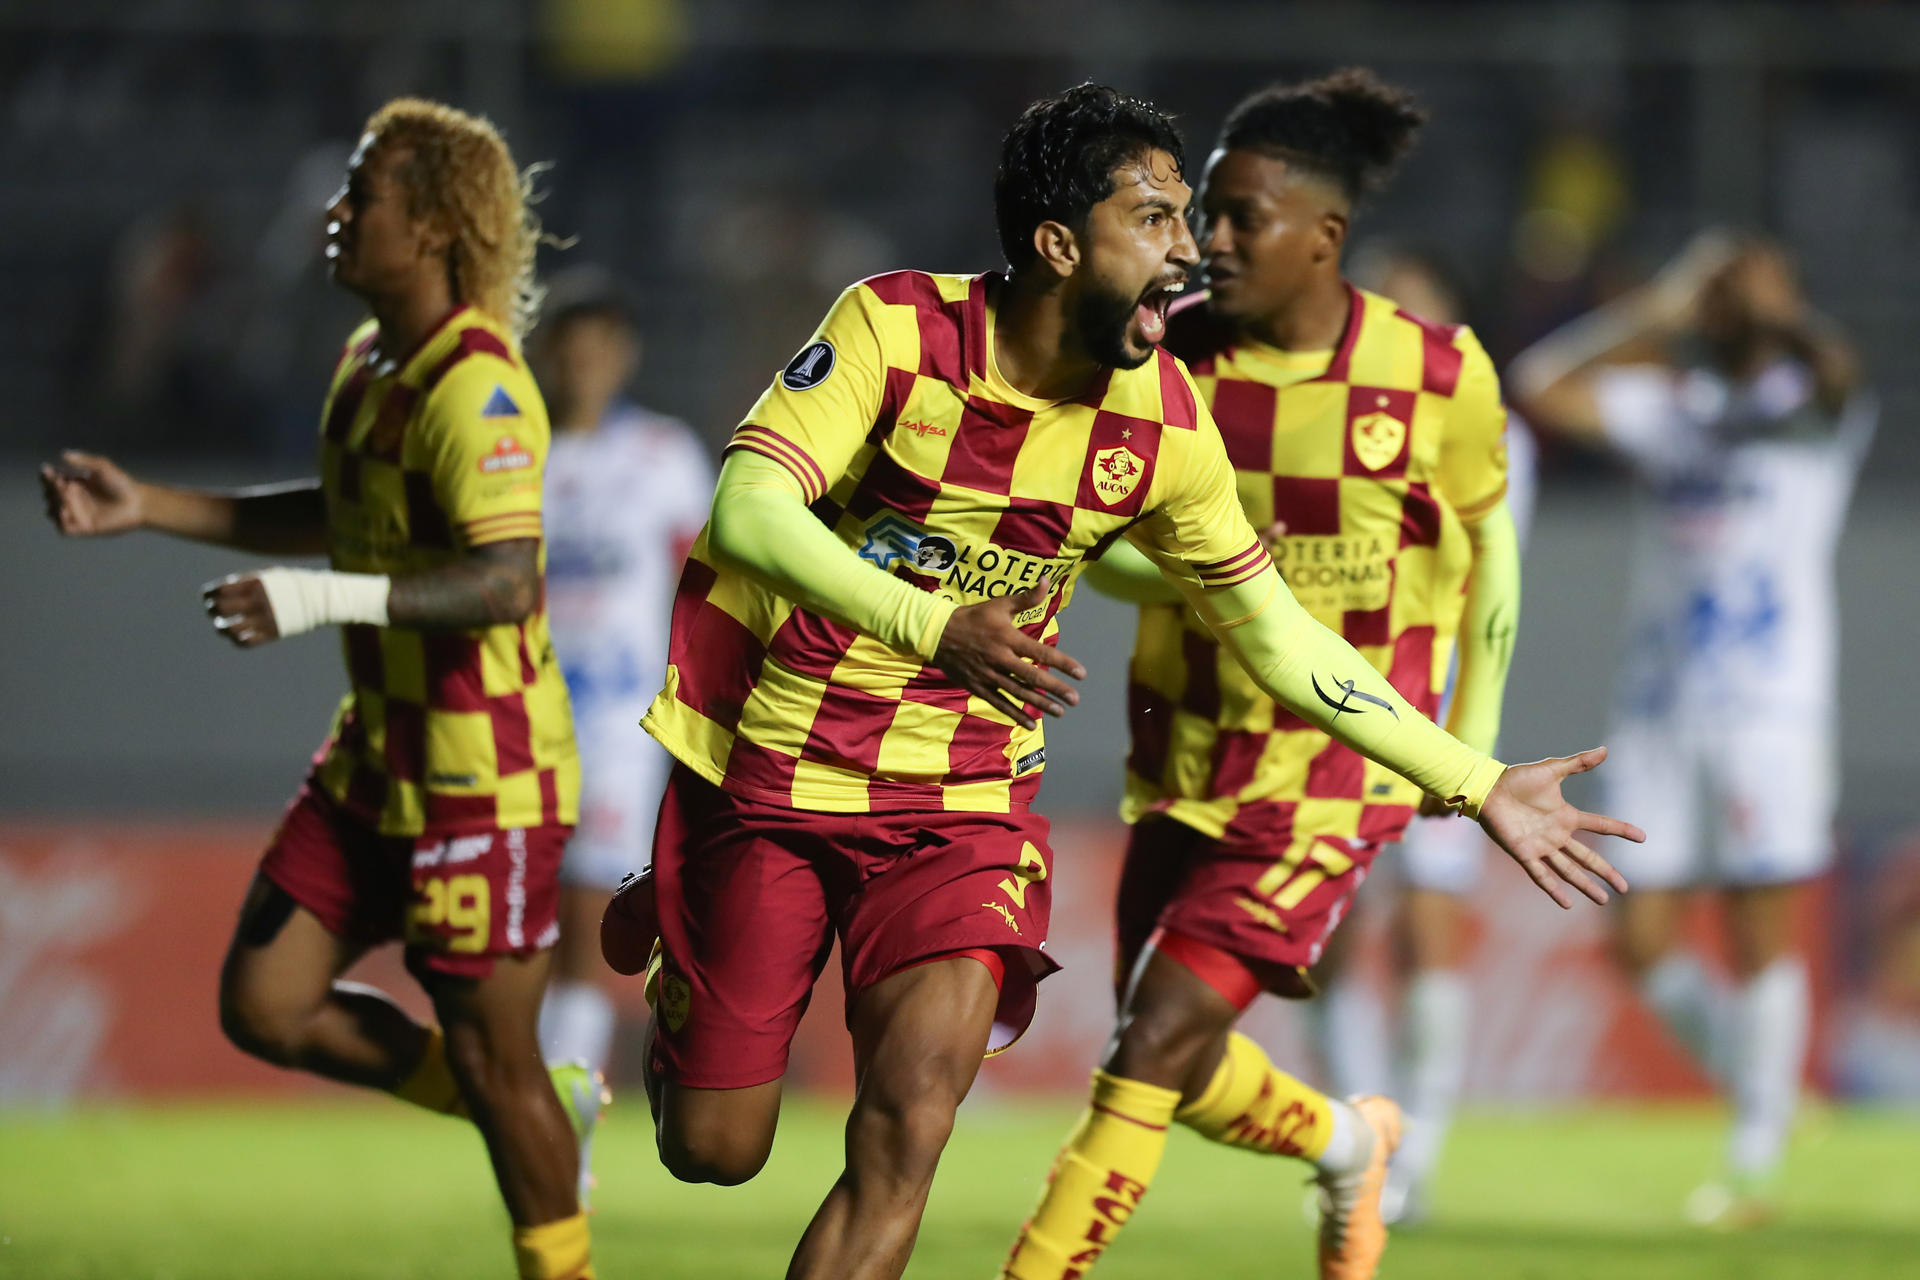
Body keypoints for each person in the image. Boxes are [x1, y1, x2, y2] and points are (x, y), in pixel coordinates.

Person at [602, 82, 1637, 1280]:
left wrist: (1479, 778)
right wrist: (934, 623)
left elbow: (1278, 633)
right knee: (713, 1148)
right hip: (778, 769)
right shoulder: (897, 330)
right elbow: (746, 509)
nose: (1189, 249)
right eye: (1155, 218)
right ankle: (684, 935)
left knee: (909, 1128)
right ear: (1057, 244)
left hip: (965, 803)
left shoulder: (1163, 420)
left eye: (1186, 218)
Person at [999, 70, 1550, 1280]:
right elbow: (1118, 556)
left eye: (1245, 216)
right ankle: (1352, 1140)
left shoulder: (1439, 375)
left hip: (1335, 770)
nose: (1213, 239)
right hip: (1189, 748)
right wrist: (1207, 583)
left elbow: (1488, 563)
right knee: (1171, 1056)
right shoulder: (1166, 356)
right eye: (1206, 209)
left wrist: (1471, 753)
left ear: (1326, 238)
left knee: (1150, 1046)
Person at [41, 100, 603, 1280]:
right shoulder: (368, 363)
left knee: (494, 1066)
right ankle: (535, 1097)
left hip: (481, 780)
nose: (338, 217)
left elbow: (504, 582)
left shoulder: (480, 388)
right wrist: (149, 504)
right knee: (266, 1001)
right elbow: (345, 514)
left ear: (438, 225)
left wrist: (318, 598)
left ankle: (550, 1207)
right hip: (375, 761)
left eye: (364, 198)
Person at [1511, 231, 1870, 1227]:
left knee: (1761, 925)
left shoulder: (1812, 408)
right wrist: (1660, 311)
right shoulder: (1672, 410)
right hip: (1660, 705)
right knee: (1640, 936)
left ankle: (1752, 1160)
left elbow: (1839, 369)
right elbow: (1539, 382)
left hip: (1774, 706)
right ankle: (1772, 1094)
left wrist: (1770, 310)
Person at [1307, 239, 1541, 1227]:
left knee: (1426, 926)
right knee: (1326, 934)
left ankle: (1421, 1150)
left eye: (1415, 306)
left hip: (1432, 709)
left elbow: (1482, 576)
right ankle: (1367, 1138)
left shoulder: (1488, 435)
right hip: (1328, 704)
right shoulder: (1318, 416)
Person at [530, 266, 714, 1080]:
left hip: (618, 725)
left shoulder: (663, 454)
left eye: (602, 346)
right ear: (545, 352)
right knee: (510, 920)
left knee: (587, 913)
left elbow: (704, 585)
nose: (586, 362)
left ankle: (561, 1104)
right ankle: (524, 1087)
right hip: (514, 715)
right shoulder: (511, 456)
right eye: (572, 346)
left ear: (625, 354)